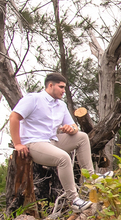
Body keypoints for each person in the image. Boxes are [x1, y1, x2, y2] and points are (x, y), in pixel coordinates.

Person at [9, 73, 99, 211]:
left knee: (82, 137)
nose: (64, 91)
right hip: (34, 143)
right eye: (61, 87)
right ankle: (74, 200)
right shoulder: (34, 99)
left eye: (64, 87)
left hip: (52, 141)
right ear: (50, 85)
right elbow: (14, 117)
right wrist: (17, 144)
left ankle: (91, 178)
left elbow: (74, 126)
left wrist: (71, 129)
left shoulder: (61, 105)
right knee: (63, 158)